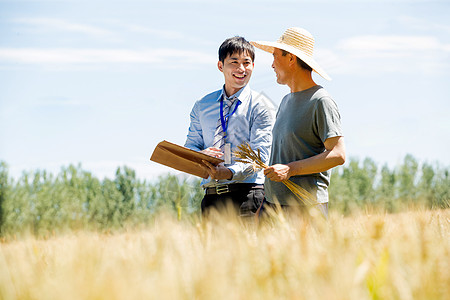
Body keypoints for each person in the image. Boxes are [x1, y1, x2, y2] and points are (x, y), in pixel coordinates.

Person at [250, 27, 346, 217]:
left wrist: (290, 169)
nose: (272, 65)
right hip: (272, 204)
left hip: (305, 208)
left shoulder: (321, 101)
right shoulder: (286, 101)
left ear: (291, 59)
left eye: (275, 56)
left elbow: (338, 154)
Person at [184, 36, 275, 218]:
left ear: (253, 66)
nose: (241, 69)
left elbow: (260, 158)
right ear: (220, 66)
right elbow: (190, 147)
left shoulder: (262, 105)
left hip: (248, 195)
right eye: (234, 62)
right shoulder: (202, 105)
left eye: (246, 63)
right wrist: (202, 156)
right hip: (211, 197)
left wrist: (229, 172)